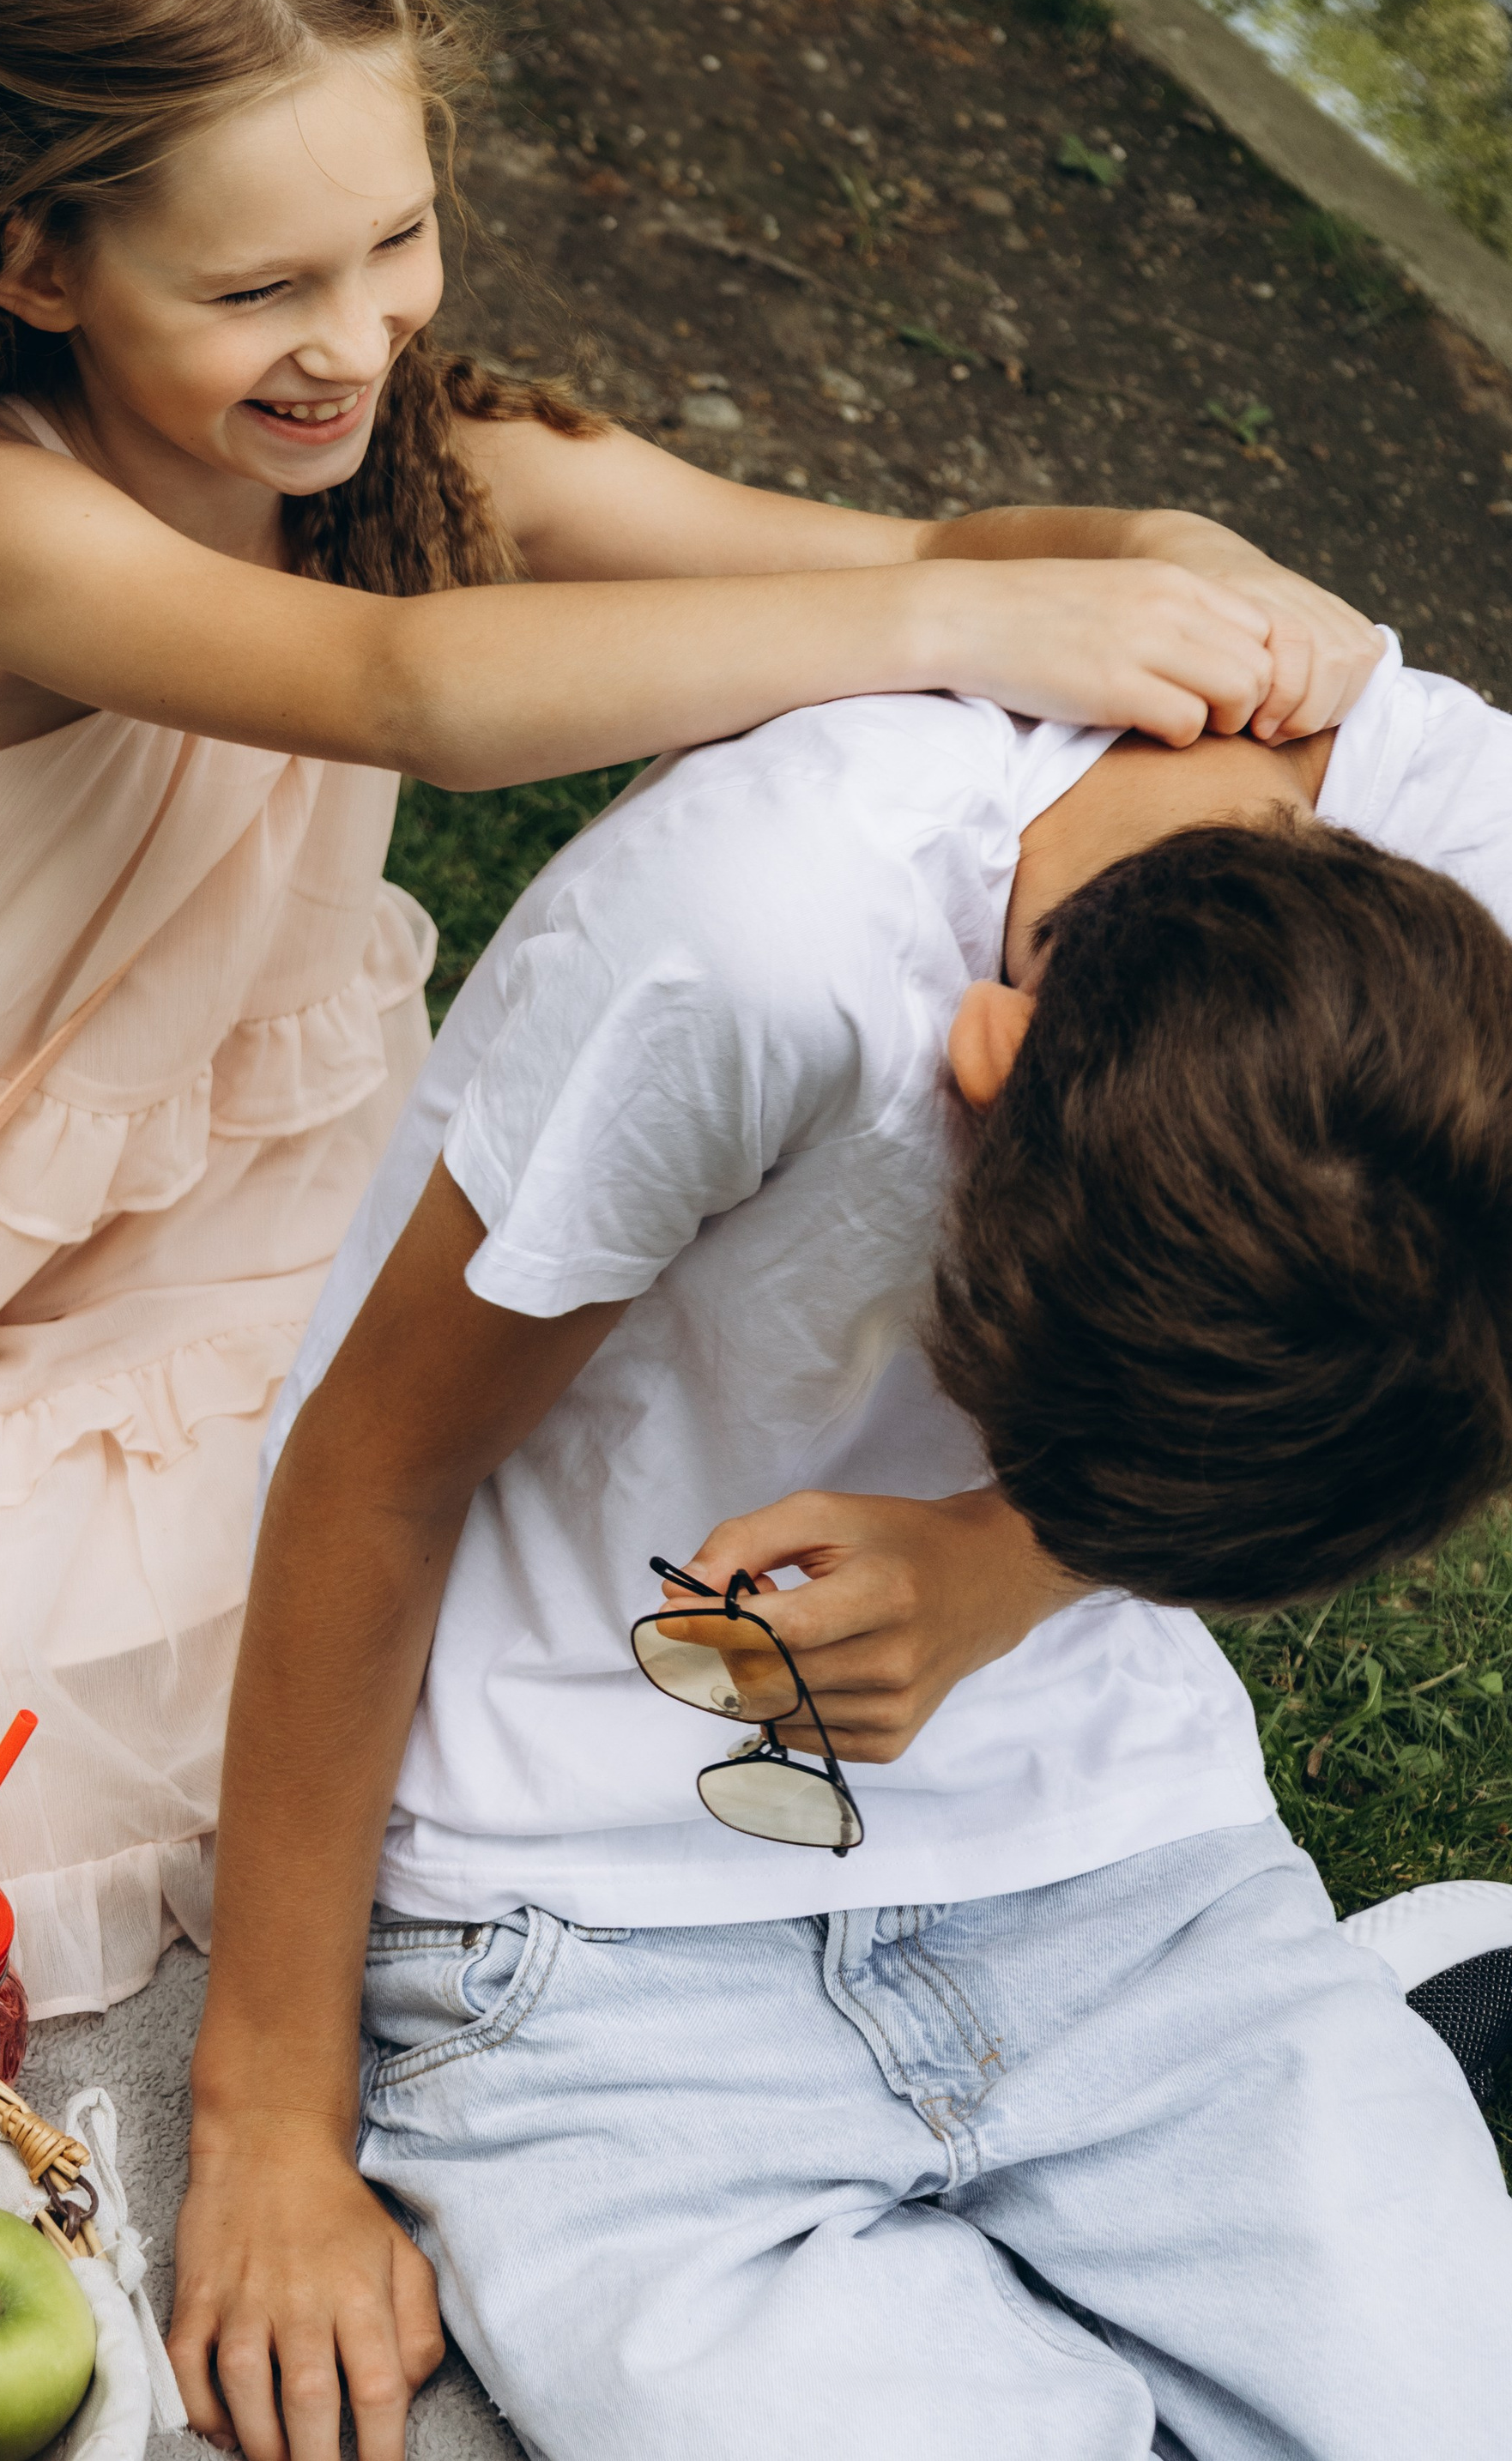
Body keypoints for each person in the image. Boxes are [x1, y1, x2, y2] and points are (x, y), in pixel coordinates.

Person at [0, 0, 1373, 2019]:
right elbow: (400, 694)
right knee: (226, 1669)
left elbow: (879, 542)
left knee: (514, 1511)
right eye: (254, 294)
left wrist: (1134, 545)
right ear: (28, 262)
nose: (351, 343)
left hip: (203, 1174)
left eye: (392, 242)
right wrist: (996, 616)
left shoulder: (413, 453)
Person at [169, 629, 1512, 2459]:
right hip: (583, 1929)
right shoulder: (760, 946)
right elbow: (370, 1474)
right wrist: (267, 2122)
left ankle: (1353, 2054)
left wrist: (1004, 1564)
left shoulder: (1469, 884)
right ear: (979, 1069)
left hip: (1118, 1876)